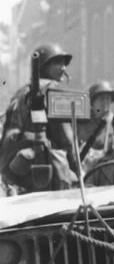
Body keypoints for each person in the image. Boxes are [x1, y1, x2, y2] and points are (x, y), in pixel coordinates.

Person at [0, 43, 79, 192]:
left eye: (64, 63)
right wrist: (79, 171)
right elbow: (67, 139)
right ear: (44, 66)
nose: (63, 68)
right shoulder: (52, 89)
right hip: (45, 172)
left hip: (14, 170)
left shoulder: (21, 92)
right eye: (57, 63)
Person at [78, 80, 114, 171]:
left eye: (108, 98)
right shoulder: (81, 123)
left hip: (107, 171)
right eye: (102, 98)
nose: (105, 102)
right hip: (84, 171)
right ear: (92, 102)